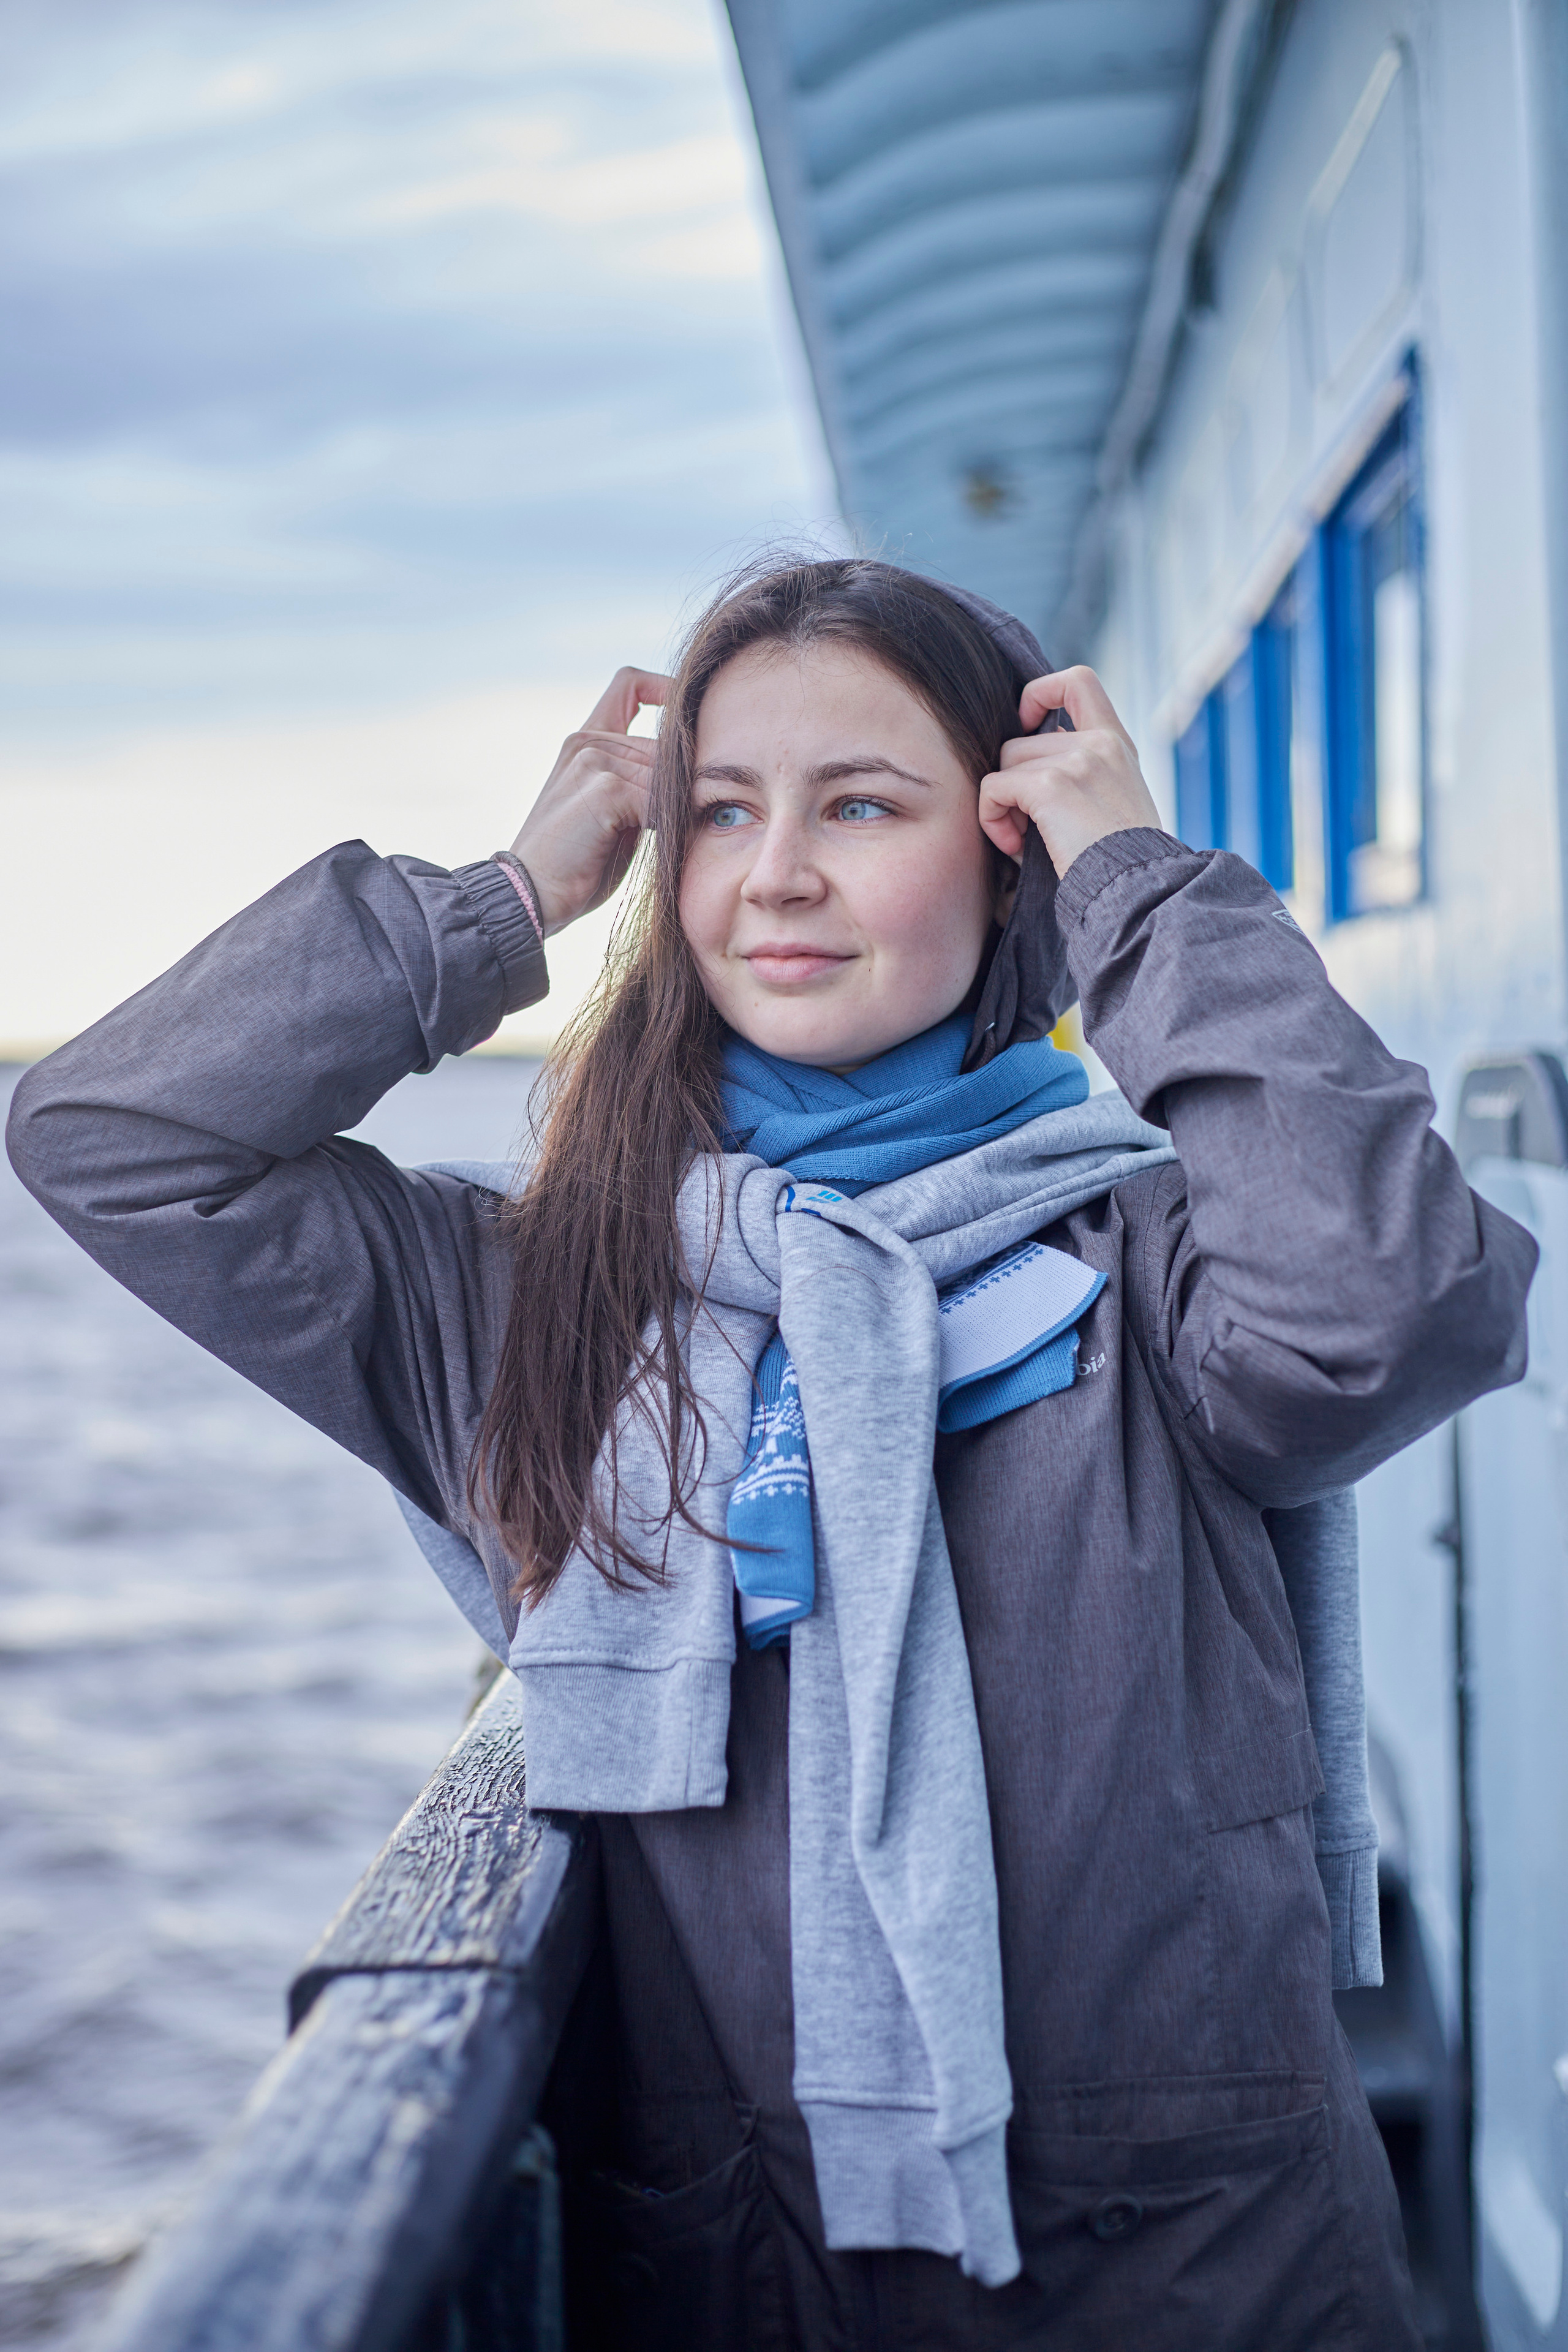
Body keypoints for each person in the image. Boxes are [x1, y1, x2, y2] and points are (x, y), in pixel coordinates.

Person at [6, 558, 1535, 2351]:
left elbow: (1400, 1306)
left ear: (1006, 850)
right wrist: (501, 903)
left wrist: (1142, 888)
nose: (777, 874)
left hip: (1200, 2279)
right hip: (738, 2278)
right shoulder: (529, 1293)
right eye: (717, 813)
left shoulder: (1156, 1266)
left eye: (862, 805)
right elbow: (111, 1137)